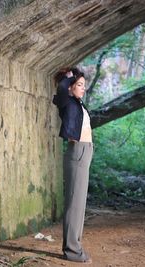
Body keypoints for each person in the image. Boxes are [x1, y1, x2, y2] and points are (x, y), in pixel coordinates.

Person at [52, 67, 93, 264]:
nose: (83, 88)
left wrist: (75, 81)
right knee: (74, 205)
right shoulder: (66, 101)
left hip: (85, 152)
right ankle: (72, 251)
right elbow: (60, 90)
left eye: (84, 85)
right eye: (79, 85)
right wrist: (68, 79)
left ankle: (75, 246)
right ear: (69, 87)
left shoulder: (77, 103)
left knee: (79, 204)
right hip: (77, 153)